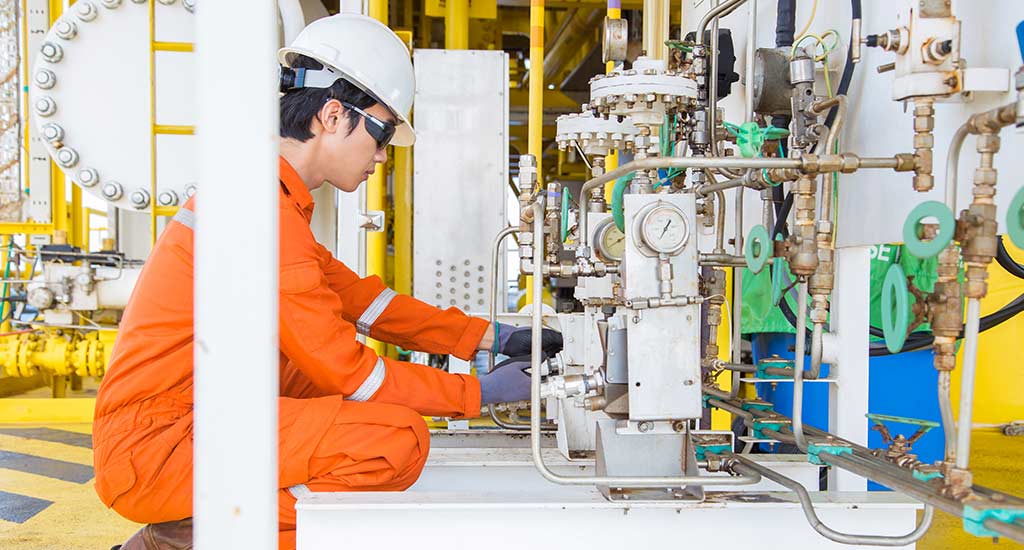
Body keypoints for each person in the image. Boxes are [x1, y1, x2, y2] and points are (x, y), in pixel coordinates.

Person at [95, 14, 562, 550]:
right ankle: (187, 538)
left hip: (183, 423)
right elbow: (348, 370)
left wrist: (491, 336)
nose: (383, 156)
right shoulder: (258, 212)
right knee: (395, 440)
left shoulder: (270, 205)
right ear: (333, 115)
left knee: (350, 399)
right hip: (159, 445)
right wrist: (476, 393)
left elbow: (367, 304)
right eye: (382, 133)